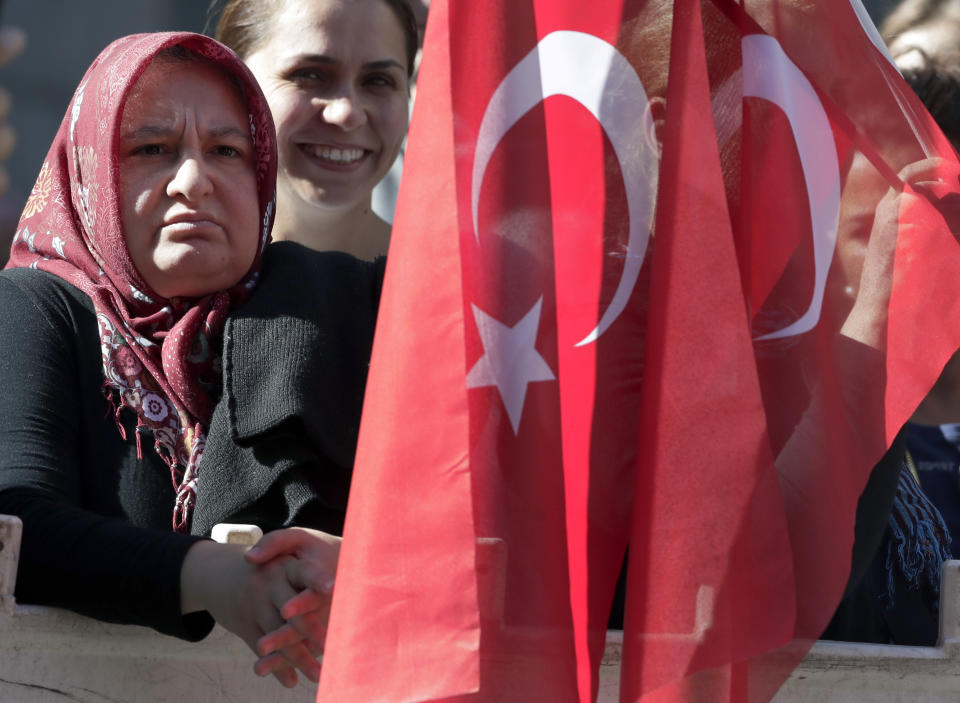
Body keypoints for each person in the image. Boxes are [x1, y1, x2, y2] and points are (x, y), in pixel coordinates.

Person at [0, 32, 335, 688]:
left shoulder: (313, 321)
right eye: (151, 149)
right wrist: (211, 574)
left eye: (227, 151)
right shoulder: (35, 307)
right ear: (91, 168)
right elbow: (18, 529)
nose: (193, 181)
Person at [212, 0, 416, 260]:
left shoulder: (458, 288)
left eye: (378, 81)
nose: (346, 114)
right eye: (309, 75)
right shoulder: (173, 286)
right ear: (232, 83)